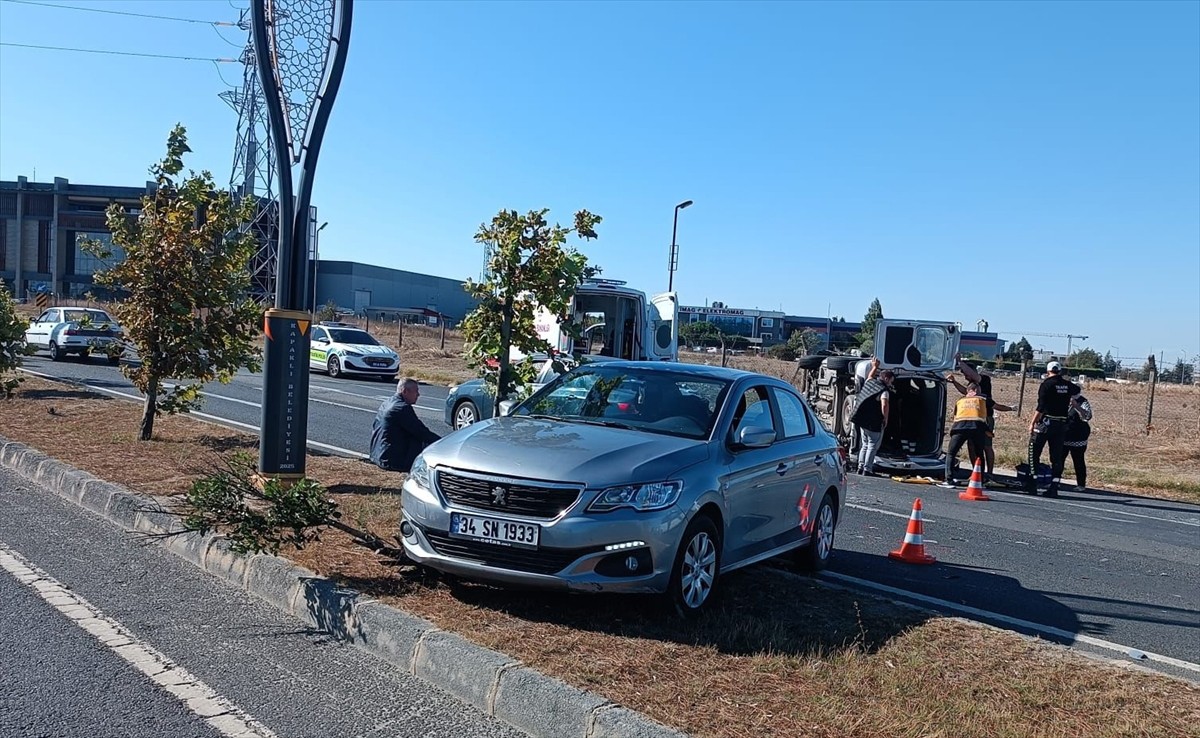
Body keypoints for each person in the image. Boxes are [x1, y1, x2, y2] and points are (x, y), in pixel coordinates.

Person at [946, 359, 1013, 484]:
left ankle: (989, 473)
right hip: (971, 420)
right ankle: (976, 472)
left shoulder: (983, 380)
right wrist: (954, 382)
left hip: (984, 418)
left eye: (966, 374)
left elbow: (996, 405)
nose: (966, 377)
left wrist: (959, 361)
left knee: (986, 446)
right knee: (972, 447)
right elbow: (966, 392)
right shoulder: (971, 385)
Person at [1026, 361, 1081, 497]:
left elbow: (1041, 407)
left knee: (1033, 451)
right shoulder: (1067, 384)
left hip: (1046, 422)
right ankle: (1054, 486)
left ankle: (1032, 484)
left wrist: (1032, 423)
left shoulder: (1046, 384)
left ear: (1048, 371)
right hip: (1061, 425)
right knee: (1056, 457)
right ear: (1060, 371)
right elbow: (1077, 391)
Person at [369, 377, 441, 472]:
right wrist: (442, 443)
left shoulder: (387, 402)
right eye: (416, 391)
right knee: (425, 443)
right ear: (405, 391)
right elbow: (421, 432)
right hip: (390, 460)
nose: (418, 395)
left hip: (376, 454)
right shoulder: (402, 408)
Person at [850, 358, 895, 476]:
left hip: (862, 420)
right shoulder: (884, 391)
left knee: (864, 444)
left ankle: (860, 467)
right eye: (891, 381)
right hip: (874, 422)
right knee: (872, 445)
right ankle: (867, 469)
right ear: (886, 378)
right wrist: (885, 419)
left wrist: (874, 366)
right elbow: (884, 404)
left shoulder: (870, 382)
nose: (891, 383)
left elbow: (869, 376)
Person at [940, 382, 990, 487]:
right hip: (976, 428)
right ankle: (980, 480)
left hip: (959, 428)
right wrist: (1011, 408)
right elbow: (996, 406)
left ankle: (948, 480)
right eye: (979, 391)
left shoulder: (960, 401)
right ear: (975, 390)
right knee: (979, 454)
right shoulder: (983, 399)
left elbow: (955, 415)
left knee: (951, 453)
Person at [1063, 393, 1093, 491]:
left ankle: (1081, 484)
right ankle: (1055, 481)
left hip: (1078, 435)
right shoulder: (1063, 398)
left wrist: (1076, 406)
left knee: (1078, 459)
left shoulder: (1082, 401)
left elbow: (1087, 416)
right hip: (1064, 435)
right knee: (1058, 459)